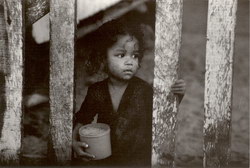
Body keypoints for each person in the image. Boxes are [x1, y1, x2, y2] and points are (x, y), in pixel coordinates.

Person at [72, 19, 186, 167]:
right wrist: (73, 142)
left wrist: (178, 93)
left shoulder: (143, 89)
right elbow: (83, 119)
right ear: (103, 58)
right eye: (121, 55)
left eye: (135, 56)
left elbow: (164, 112)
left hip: (139, 160)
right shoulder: (97, 91)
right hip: (106, 159)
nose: (130, 62)